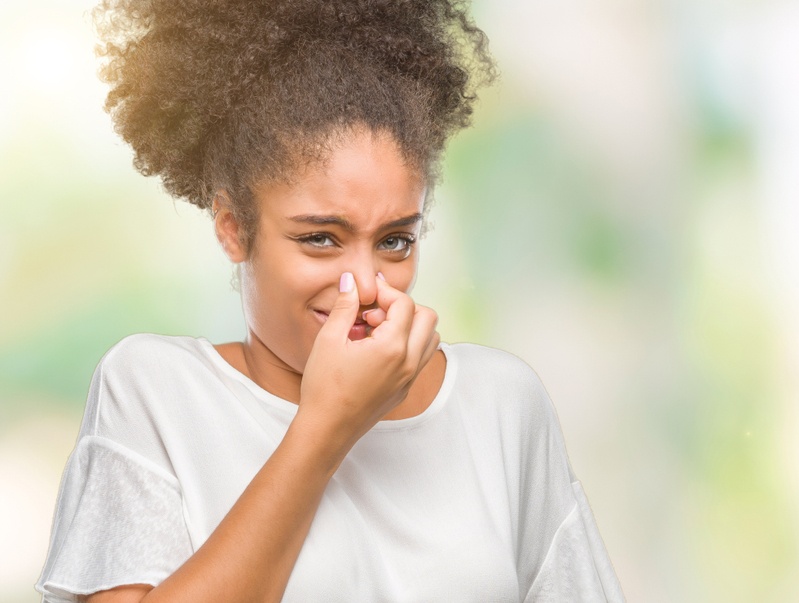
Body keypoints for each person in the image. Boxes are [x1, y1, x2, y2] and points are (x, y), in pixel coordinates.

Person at [36, 0, 624, 601]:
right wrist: (325, 425)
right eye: (320, 239)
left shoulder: (500, 403)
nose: (365, 286)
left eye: (395, 241)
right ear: (233, 228)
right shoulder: (155, 392)